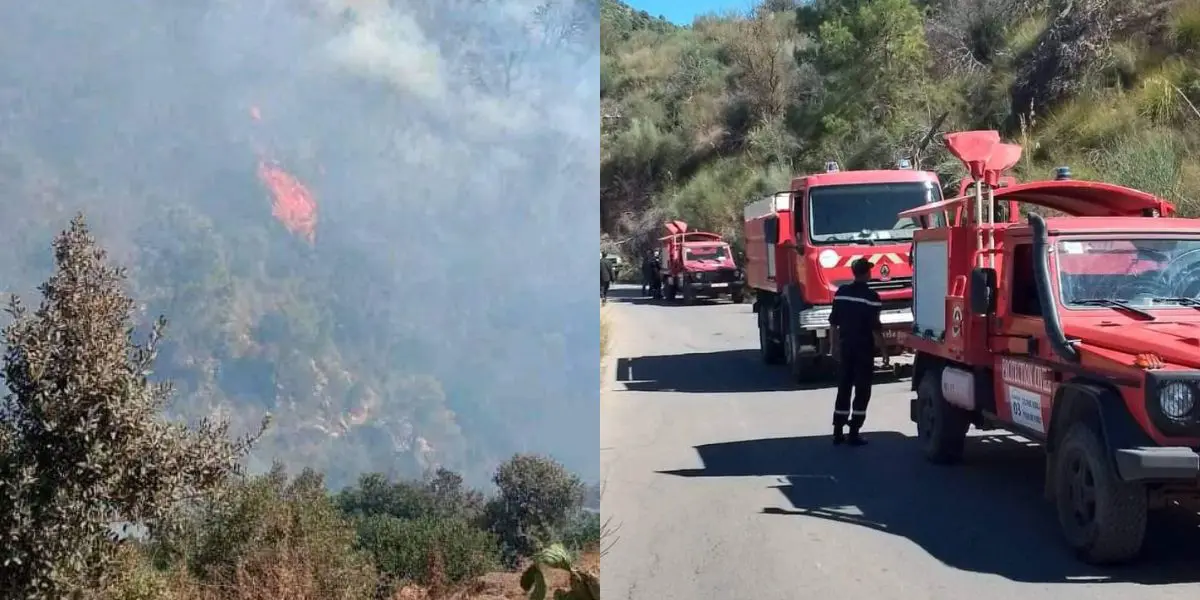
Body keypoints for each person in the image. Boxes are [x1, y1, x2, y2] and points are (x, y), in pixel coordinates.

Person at [829, 258, 891, 446]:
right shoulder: (872, 298)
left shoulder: (841, 293)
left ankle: (838, 431)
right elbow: (875, 329)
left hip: (846, 346)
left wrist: (833, 346)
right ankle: (854, 432)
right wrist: (884, 351)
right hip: (863, 349)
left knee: (844, 387)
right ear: (867, 273)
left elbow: (833, 323)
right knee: (862, 390)